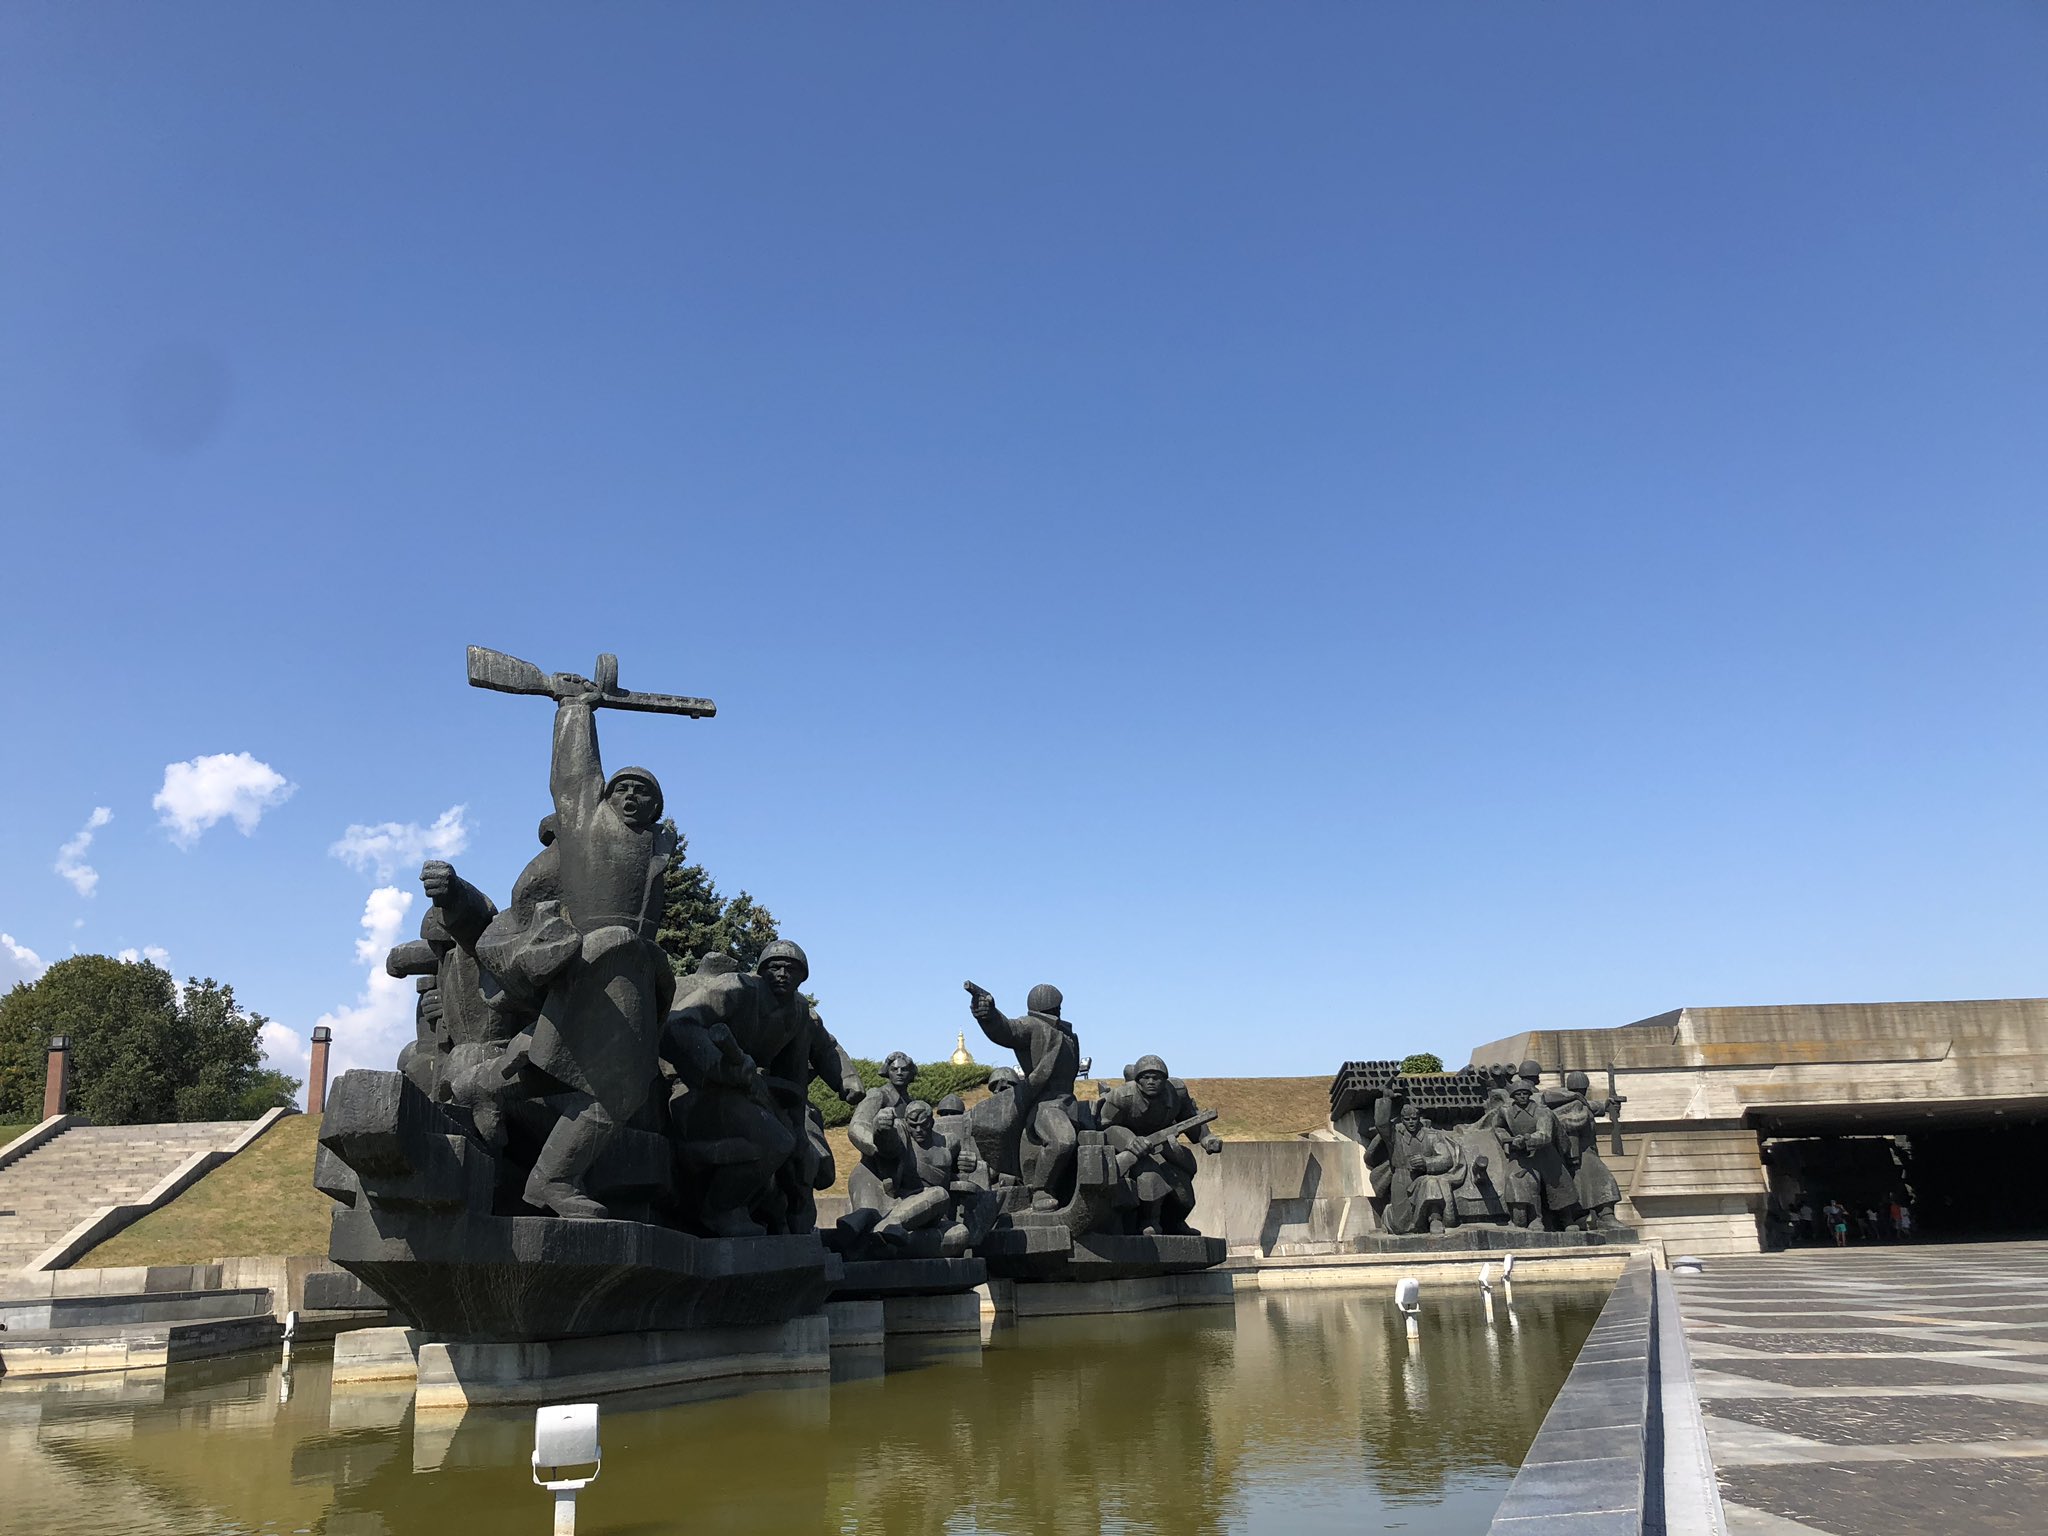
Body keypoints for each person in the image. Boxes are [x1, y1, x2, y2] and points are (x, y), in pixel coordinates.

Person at [966, 982, 1084, 1211]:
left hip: (1070, 1103)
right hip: (1046, 1105)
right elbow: (1008, 1030)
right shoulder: (1033, 1025)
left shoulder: (1068, 1034)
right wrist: (988, 1015)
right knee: (1062, 1141)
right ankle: (1040, 1190)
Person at [1097, 1055, 1222, 1235]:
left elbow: (1190, 1119)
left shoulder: (1177, 1092)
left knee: (1183, 1191)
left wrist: (1207, 1139)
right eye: (1146, 1077)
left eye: (1156, 1078)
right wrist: (1130, 1141)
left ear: (1164, 1079)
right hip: (1132, 1148)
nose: (1151, 1082)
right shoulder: (1122, 1096)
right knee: (1149, 1178)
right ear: (1137, 1079)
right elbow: (1105, 1126)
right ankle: (1149, 1223)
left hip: (1163, 1146)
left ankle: (1175, 1223)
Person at [1481, 1080, 1576, 1228]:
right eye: (1518, 1094)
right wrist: (1507, 1140)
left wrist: (1527, 1140)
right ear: (1513, 1096)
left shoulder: (1542, 1111)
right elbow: (1498, 1127)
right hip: (1522, 1155)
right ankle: (1535, 1218)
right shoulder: (1506, 1111)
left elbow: (1545, 1134)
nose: (1522, 1096)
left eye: (1525, 1093)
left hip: (1545, 1153)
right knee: (1518, 1180)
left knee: (1558, 1186)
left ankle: (1567, 1220)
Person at [1549, 1071, 1626, 1231]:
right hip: (1581, 1154)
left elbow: (1589, 1107)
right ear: (1585, 1088)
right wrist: (1574, 1157)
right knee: (1604, 1179)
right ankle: (1606, 1216)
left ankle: (1586, 1218)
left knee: (1583, 1187)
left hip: (1584, 1152)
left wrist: (1606, 1105)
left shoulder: (1575, 1103)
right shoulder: (1575, 1106)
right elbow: (1574, 1125)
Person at [847, 1052, 921, 1210]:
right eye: (894, 1069)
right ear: (888, 1072)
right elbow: (857, 1126)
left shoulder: (912, 1104)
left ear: (911, 1073)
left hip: (905, 1178)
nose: (899, 1073)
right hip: (873, 1173)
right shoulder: (877, 1095)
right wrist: (879, 1143)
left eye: (904, 1069)